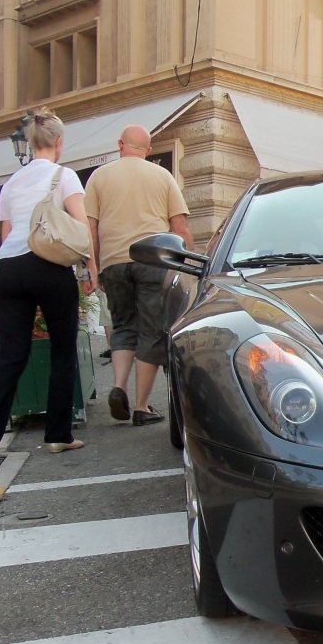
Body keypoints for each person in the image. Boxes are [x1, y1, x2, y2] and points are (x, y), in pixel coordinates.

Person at [0, 108, 87, 461]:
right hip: (47, 265)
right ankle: (57, 434)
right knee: (63, 349)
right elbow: (80, 226)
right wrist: (89, 267)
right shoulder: (64, 176)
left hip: (8, 267)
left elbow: (6, 235)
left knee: (11, 353)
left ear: (31, 142)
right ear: (59, 142)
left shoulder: (11, 183)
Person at [85, 124, 192, 425]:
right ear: (148, 150)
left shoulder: (99, 176)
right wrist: (190, 265)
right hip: (152, 258)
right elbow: (179, 226)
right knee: (151, 330)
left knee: (122, 326)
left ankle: (118, 386)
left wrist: (94, 266)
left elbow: (90, 227)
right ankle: (142, 407)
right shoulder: (162, 175)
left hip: (114, 261)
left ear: (120, 144)